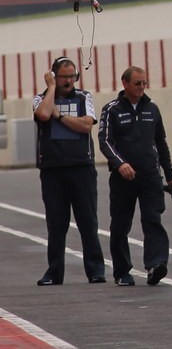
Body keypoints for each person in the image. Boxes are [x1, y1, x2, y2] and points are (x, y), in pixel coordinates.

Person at [99, 67, 172, 286]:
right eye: (137, 83)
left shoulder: (152, 109)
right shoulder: (112, 110)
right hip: (123, 178)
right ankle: (122, 271)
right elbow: (105, 141)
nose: (142, 87)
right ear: (125, 83)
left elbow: (161, 142)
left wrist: (170, 175)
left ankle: (156, 265)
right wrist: (120, 163)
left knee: (153, 218)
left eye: (144, 83)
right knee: (121, 225)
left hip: (151, 176)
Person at [33, 56, 106, 285]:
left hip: (81, 167)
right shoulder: (41, 98)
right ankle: (54, 272)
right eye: (63, 77)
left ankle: (95, 270)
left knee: (87, 222)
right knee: (56, 224)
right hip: (52, 168)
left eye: (72, 76)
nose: (69, 81)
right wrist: (51, 88)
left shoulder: (84, 97)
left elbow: (86, 125)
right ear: (54, 76)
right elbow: (43, 114)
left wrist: (61, 116)